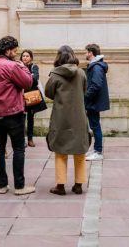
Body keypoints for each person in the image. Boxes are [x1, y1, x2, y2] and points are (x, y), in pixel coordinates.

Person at [0, 35, 36, 195]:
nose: (16, 53)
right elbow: (27, 82)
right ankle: (19, 186)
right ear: (8, 50)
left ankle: (2, 185)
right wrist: (23, 67)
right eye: (15, 51)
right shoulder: (12, 66)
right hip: (13, 113)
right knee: (18, 149)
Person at [45, 45, 89, 195]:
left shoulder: (55, 75)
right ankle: (78, 185)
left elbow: (49, 93)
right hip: (79, 116)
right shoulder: (81, 73)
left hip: (61, 117)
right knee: (80, 151)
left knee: (60, 151)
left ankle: (61, 185)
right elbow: (84, 90)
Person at [84, 43, 109, 161]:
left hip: (93, 102)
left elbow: (96, 85)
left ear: (91, 53)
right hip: (93, 102)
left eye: (86, 52)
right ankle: (96, 149)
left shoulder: (96, 67)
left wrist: (86, 97)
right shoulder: (96, 66)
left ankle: (98, 152)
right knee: (95, 126)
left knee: (95, 126)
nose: (85, 54)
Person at [21, 50, 47, 147]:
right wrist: (30, 76)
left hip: (31, 96)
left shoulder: (34, 67)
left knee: (30, 118)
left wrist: (25, 76)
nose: (25, 58)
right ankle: (22, 140)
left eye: (27, 56)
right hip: (21, 96)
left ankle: (30, 139)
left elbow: (35, 79)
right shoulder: (18, 66)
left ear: (31, 57)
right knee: (21, 119)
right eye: (23, 56)